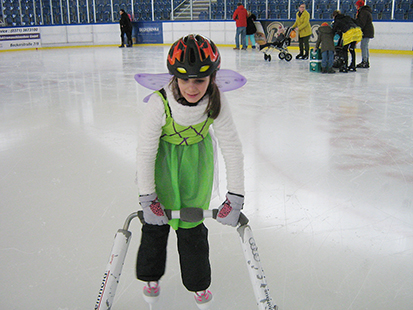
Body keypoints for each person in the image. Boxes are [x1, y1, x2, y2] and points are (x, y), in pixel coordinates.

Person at [135, 34, 245, 310]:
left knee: (192, 227)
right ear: (174, 77)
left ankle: (199, 284)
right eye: (184, 79)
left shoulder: (215, 101)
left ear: (212, 77)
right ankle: (150, 276)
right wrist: (148, 197)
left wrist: (236, 195)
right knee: (155, 225)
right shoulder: (159, 103)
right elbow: (145, 151)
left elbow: (232, 146)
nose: (192, 87)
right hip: (163, 164)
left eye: (200, 80)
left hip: (196, 167)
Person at [355, 0, 374, 68]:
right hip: (366, 31)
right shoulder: (364, 11)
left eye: (357, 5)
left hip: (366, 32)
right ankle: (365, 60)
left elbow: (362, 23)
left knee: (364, 46)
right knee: (364, 46)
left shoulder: (363, 12)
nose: (356, 7)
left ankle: (365, 61)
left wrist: (357, 27)